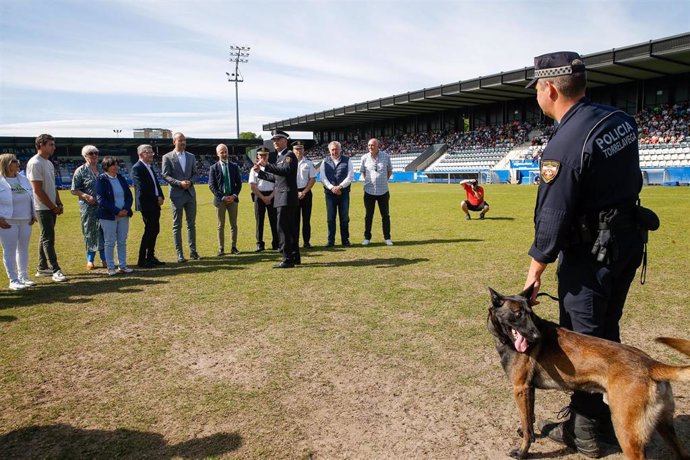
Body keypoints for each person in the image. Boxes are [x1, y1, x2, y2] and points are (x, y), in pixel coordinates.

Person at [523, 51, 645, 457]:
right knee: (608, 329)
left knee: (583, 338)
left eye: (537, 88)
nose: (537, 96)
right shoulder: (620, 121)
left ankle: (588, 429)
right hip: (626, 244)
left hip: (591, 256)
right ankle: (610, 417)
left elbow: (554, 214)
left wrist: (536, 266)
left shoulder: (565, 141)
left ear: (551, 88)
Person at [254, 130, 300, 268]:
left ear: (285, 140)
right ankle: (294, 256)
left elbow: (285, 171)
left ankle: (287, 258)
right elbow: (276, 177)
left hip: (286, 196)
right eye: (274, 140)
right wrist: (260, 173)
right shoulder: (280, 157)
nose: (275, 142)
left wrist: (266, 165)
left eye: (278, 139)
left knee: (284, 228)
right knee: (289, 228)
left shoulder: (289, 155)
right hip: (282, 196)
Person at [26, 133, 67, 282]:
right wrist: (52, 207)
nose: (54, 147)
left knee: (45, 237)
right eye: (51, 144)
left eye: (53, 144)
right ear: (41, 145)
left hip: (50, 207)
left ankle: (42, 267)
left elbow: (52, 186)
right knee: (48, 238)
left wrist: (59, 203)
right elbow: (37, 190)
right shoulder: (35, 163)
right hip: (42, 207)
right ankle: (55, 269)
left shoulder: (48, 163)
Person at [0, 154, 37, 290]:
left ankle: (23, 276)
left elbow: (31, 197)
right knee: (9, 250)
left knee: (23, 249)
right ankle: (13, 280)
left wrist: (33, 214)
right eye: (15, 161)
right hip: (8, 221)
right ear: (7, 163)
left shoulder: (24, 179)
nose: (18, 163)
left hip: (25, 220)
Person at [161, 132, 199, 263]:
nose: (183, 142)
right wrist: (179, 183)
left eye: (184, 140)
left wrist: (190, 182)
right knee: (177, 225)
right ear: (174, 142)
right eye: (180, 140)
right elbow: (165, 175)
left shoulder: (191, 156)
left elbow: (195, 173)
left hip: (190, 194)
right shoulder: (167, 157)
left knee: (191, 224)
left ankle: (193, 252)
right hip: (176, 195)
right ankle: (180, 254)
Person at [96, 156, 134, 276]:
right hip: (108, 216)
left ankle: (122, 265)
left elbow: (129, 196)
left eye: (117, 164)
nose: (116, 167)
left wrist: (126, 209)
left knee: (122, 241)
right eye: (113, 165)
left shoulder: (121, 178)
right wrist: (116, 211)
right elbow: (101, 200)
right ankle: (111, 267)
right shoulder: (101, 179)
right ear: (106, 166)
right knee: (109, 241)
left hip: (124, 215)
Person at [71, 145, 106, 270]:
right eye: (91, 153)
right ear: (85, 156)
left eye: (96, 153)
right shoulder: (80, 171)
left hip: (103, 207)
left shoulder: (102, 169)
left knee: (104, 231)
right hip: (88, 207)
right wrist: (86, 196)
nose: (94, 155)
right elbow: (74, 189)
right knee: (90, 232)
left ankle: (104, 258)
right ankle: (90, 260)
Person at [131, 144, 165, 269]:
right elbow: (142, 189)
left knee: (155, 230)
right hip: (147, 204)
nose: (151, 154)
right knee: (149, 231)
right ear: (141, 154)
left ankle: (150, 256)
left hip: (155, 203)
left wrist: (161, 196)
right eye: (148, 152)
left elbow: (156, 185)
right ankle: (142, 260)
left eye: (152, 152)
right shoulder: (137, 168)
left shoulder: (149, 167)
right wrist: (157, 198)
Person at [209, 143, 242, 256]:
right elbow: (212, 186)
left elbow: (239, 184)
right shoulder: (213, 168)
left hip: (233, 200)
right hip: (220, 201)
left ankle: (233, 247)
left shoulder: (234, 167)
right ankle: (221, 248)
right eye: (221, 152)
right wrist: (222, 197)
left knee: (234, 225)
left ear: (228, 152)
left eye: (225, 151)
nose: (224, 154)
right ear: (217, 154)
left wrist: (233, 196)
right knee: (220, 225)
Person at [359, 138, 393, 246]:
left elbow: (389, 171)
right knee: (368, 215)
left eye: (372, 145)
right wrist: (370, 181)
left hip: (383, 191)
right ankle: (367, 238)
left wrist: (381, 181)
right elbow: (363, 172)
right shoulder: (364, 158)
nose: (370, 147)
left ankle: (387, 238)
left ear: (378, 146)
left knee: (385, 216)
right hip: (369, 191)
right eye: (369, 145)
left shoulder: (386, 156)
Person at [320, 140, 353, 247]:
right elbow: (323, 178)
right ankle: (330, 241)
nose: (335, 151)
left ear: (340, 149)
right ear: (329, 150)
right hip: (329, 194)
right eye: (332, 149)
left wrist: (340, 187)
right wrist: (332, 188)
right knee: (330, 218)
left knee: (344, 218)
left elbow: (350, 176)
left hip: (344, 193)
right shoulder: (324, 161)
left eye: (336, 149)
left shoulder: (347, 160)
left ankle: (345, 240)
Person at [248, 147, 278, 253]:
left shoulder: (273, 167)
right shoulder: (254, 169)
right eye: (261, 155)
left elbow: (277, 184)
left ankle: (276, 242)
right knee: (259, 221)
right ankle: (259, 243)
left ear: (268, 156)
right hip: (259, 196)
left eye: (265, 155)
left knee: (274, 221)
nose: (263, 157)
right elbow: (252, 186)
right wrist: (263, 197)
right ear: (257, 156)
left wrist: (270, 197)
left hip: (272, 195)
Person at [292, 140, 316, 248]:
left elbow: (312, 179)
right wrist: (296, 192)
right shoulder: (289, 163)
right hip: (293, 193)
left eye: (300, 148)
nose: (299, 151)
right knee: (295, 220)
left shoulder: (309, 163)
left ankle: (306, 242)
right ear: (293, 150)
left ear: (303, 150)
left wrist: (304, 192)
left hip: (306, 193)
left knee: (306, 219)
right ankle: (295, 242)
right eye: (296, 149)